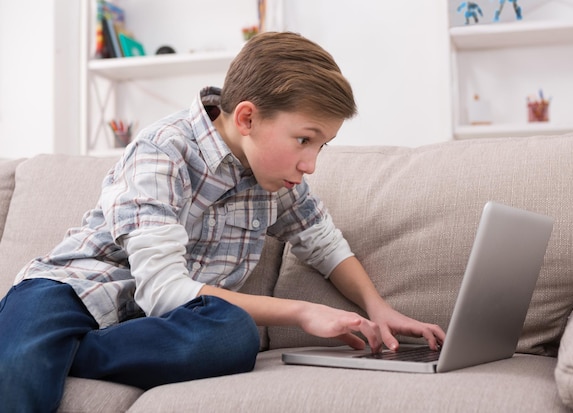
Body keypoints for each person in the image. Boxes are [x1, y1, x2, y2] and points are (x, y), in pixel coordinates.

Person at [0, 31, 445, 411]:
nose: (310, 164)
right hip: (70, 291)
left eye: (321, 146)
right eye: (304, 139)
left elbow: (323, 242)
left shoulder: (275, 177)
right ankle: (41, 346)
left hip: (150, 326)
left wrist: (378, 307)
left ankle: (61, 352)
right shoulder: (163, 150)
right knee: (19, 365)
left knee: (232, 337)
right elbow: (164, 289)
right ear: (248, 117)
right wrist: (304, 312)